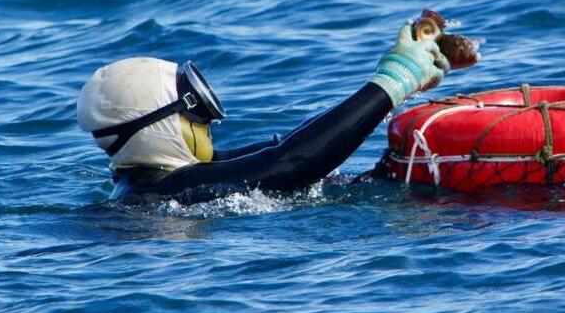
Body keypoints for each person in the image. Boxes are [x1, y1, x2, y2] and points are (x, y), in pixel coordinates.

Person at [77, 22, 451, 203]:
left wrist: (401, 86)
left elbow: (284, 148)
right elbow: (289, 162)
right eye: (198, 110)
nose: (211, 122)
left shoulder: (158, 178)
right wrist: (392, 81)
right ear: (156, 128)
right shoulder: (159, 193)